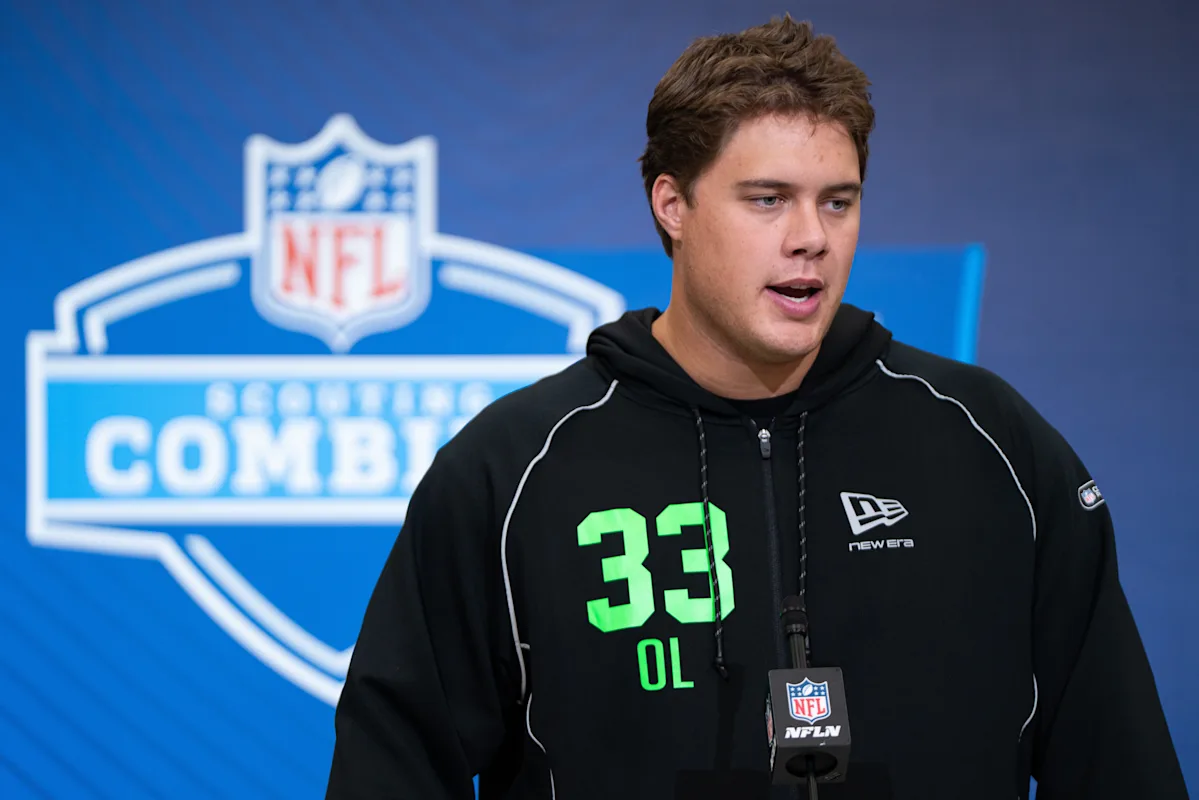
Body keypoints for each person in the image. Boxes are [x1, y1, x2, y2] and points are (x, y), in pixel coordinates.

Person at [325, 15, 1187, 800]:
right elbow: (393, 769)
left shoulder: (989, 444)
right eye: (767, 199)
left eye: (837, 201)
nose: (810, 237)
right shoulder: (514, 470)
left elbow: (1116, 762)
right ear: (672, 205)